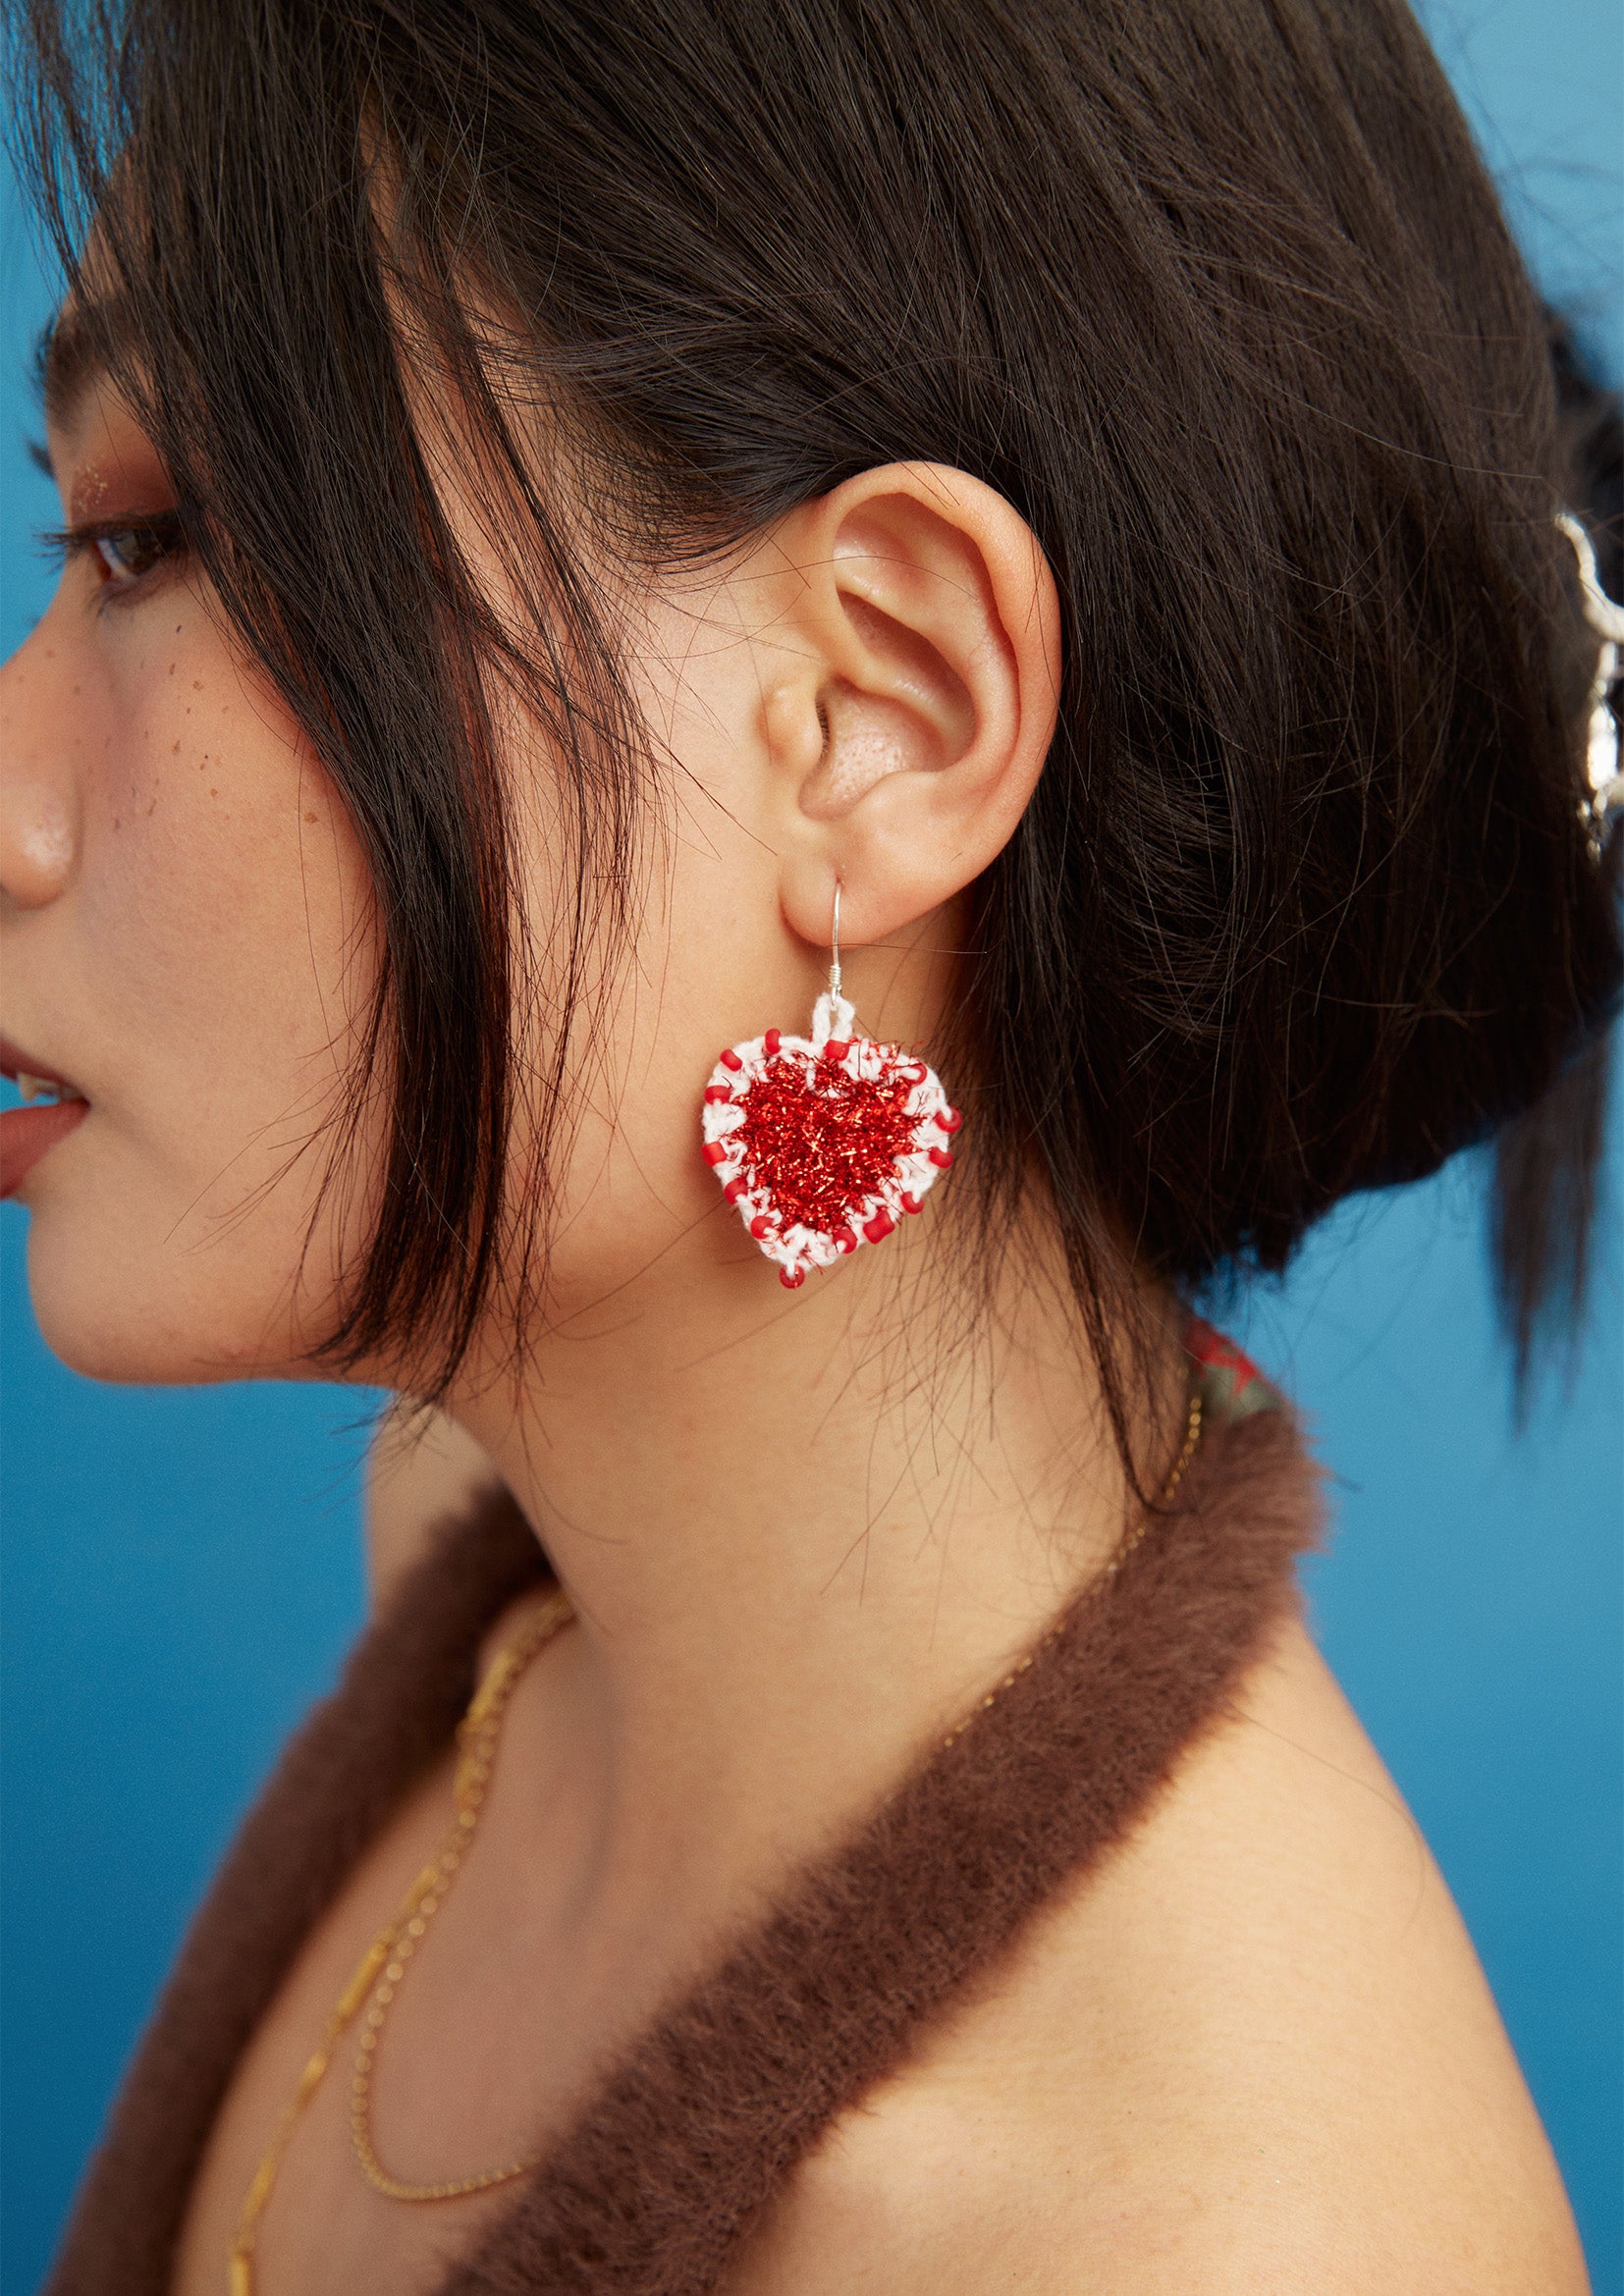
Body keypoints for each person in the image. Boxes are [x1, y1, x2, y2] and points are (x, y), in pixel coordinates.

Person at [2, 1, 1618, 2289]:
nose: (12, 785)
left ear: (880, 716)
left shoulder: (1178, 2247)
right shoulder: (500, 1567)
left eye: (153, 542)